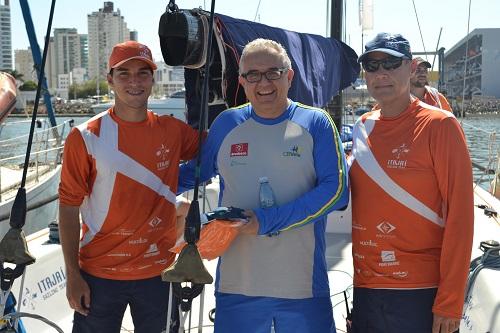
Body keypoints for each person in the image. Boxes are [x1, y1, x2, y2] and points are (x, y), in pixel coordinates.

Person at [178, 38, 349, 333]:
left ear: (290, 75)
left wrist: (265, 221)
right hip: (237, 285)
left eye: (273, 72)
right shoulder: (226, 124)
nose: (264, 82)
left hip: (303, 287)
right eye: (253, 75)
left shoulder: (317, 122)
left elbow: (335, 192)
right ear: (242, 81)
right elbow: (193, 175)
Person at [58, 40, 201, 333]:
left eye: (143, 72)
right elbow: (68, 208)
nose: (134, 81)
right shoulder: (84, 137)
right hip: (98, 274)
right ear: (110, 79)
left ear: (153, 78)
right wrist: (72, 276)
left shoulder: (174, 131)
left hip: (159, 273)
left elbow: (217, 148)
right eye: (124, 73)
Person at [349, 32, 474, 333]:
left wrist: (450, 301)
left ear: (411, 67)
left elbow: (461, 218)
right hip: (366, 288)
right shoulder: (361, 127)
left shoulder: (440, 125)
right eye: (372, 66)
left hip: (419, 291)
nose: (381, 74)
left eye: (391, 63)